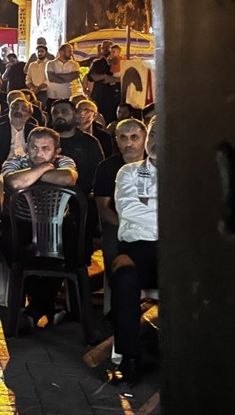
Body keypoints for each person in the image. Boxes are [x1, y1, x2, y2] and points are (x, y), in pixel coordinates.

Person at [0, 127, 79, 326]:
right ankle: (44, 307)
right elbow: (14, 183)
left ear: (56, 152)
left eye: (45, 149)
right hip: (21, 224)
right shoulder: (14, 161)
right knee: (8, 242)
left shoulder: (65, 162)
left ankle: (35, 311)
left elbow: (68, 178)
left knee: (67, 246)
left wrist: (31, 176)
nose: (39, 153)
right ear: (27, 148)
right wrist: (45, 168)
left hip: (57, 225)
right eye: (34, 148)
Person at [110, 118, 158, 386]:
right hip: (136, 248)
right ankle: (129, 358)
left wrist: (151, 208)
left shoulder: (187, 172)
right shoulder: (129, 172)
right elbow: (129, 212)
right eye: (153, 135)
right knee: (125, 277)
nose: (156, 142)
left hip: (174, 248)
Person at [93, 119, 147, 277]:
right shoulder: (106, 167)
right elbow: (103, 208)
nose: (129, 143)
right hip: (118, 224)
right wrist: (126, 224)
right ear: (117, 140)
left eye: (134, 137)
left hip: (151, 224)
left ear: (145, 138)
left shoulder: (156, 165)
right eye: (123, 137)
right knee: (114, 253)